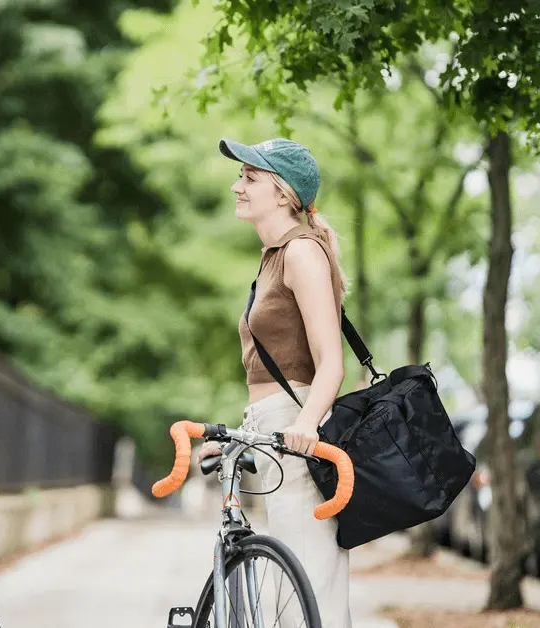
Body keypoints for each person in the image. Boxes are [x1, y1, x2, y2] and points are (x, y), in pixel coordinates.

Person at [198, 137, 351, 626]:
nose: (236, 186)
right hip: (275, 425)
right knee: (289, 586)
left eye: (249, 178)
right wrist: (234, 439)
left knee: (308, 588)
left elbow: (331, 363)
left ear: (283, 194)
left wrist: (305, 427)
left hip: (297, 428)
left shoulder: (302, 253)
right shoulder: (273, 257)